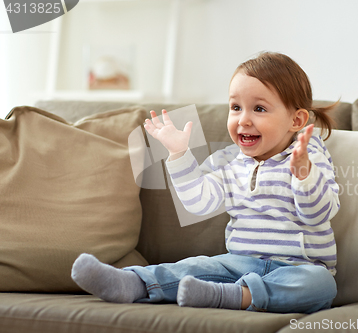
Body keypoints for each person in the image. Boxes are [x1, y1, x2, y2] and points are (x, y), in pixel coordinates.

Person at [71, 52, 340, 314]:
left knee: (322, 285)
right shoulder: (228, 161)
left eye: (259, 108)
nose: (243, 119)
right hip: (238, 265)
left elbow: (319, 214)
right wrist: (178, 154)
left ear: (296, 120)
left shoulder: (309, 156)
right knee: (195, 266)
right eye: (236, 107)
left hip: (299, 269)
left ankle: (234, 297)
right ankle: (131, 283)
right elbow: (198, 203)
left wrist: (304, 175)